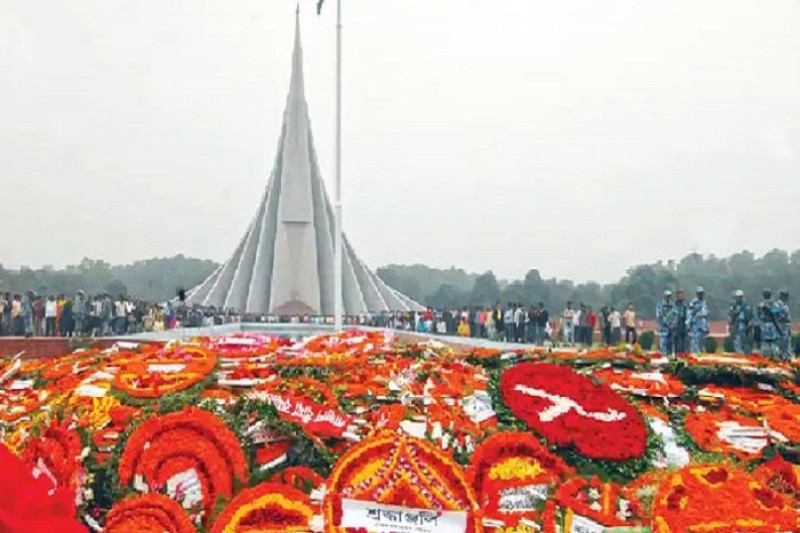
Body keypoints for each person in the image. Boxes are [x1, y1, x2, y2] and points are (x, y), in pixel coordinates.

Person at [756, 289, 780, 357]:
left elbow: (757, 316)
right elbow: (777, 315)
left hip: (763, 326)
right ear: (770, 295)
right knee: (774, 343)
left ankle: (764, 358)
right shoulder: (775, 304)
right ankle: (775, 358)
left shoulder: (760, 305)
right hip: (773, 326)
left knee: (764, 343)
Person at [687, 287, 709, 353]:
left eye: (702, 293)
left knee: (702, 342)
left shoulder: (705, 303)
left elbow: (707, 315)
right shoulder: (693, 303)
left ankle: (701, 355)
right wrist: (688, 324)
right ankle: (695, 355)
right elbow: (689, 314)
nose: (701, 295)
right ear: (697, 294)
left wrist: (707, 326)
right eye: (699, 293)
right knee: (695, 341)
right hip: (696, 324)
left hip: (703, 324)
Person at [656, 290, 676, 355]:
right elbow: (659, 315)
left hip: (671, 327)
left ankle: (669, 356)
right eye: (667, 296)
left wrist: (673, 324)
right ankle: (663, 355)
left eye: (669, 296)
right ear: (664, 296)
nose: (668, 298)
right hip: (663, 327)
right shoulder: (660, 305)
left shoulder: (672, 305)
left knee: (670, 343)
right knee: (663, 343)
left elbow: (675, 315)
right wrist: (666, 322)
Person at [775, 290, 792, 360]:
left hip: (786, 325)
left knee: (787, 342)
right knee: (782, 342)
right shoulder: (778, 304)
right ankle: (781, 356)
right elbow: (777, 315)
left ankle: (786, 356)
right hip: (782, 325)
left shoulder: (785, 304)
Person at [674, 290, 689, 355]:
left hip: (684, 324)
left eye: (681, 295)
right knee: (677, 342)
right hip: (677, 325)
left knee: (685, 342)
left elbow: (689, 315)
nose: (680, 297)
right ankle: (677, 355)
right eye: (679, 295)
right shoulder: (674, 305)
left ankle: (684, 355)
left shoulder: (686, 305)